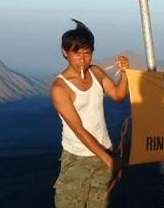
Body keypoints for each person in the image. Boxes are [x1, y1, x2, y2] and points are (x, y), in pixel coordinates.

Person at [51, 19, 129, 208]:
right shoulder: (60, 88)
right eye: (77, 53)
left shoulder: (96, 72)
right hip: (77, 157)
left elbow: (118, 96)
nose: (83, 59)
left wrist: (125, 72)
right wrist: (108, 159)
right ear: (65, 52)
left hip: (104, 150)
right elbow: (78, 129)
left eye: (88, 53)